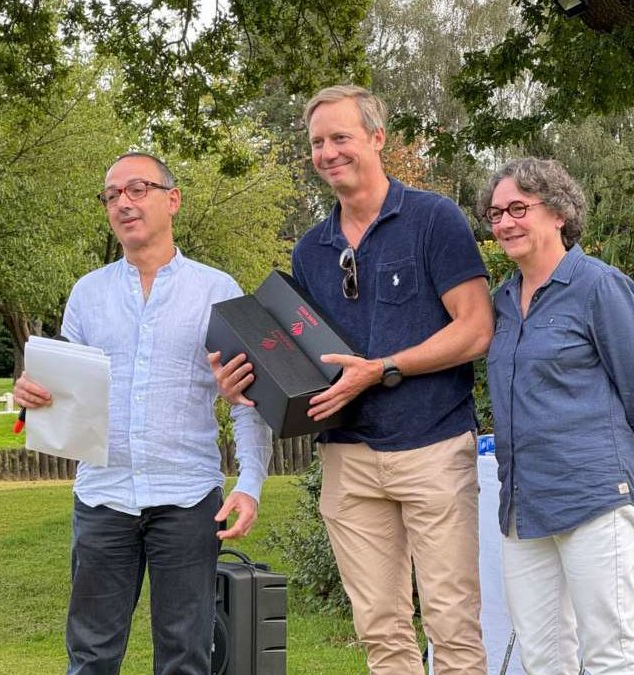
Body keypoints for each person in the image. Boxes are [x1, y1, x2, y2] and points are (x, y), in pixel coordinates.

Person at [212, 85, 493, 674]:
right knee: (381, 632)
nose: (328, 152)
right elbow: (300, 365)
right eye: (317, 142)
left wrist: (384, 368)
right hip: (347, 459)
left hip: (433, 447)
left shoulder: (433, 219)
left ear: (377, 138)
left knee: (452, 627)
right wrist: (246, 381)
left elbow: (475, 329)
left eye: (340, 137)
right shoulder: (311, 249)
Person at [13, 152, 272, 675]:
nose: (123, 203)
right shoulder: (88, 294)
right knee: (90, 656)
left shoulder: (217, 290)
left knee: (185, 657)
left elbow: (249, 399)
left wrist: (250, 483)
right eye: (112, 195)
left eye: (137, 189)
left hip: (188, 498)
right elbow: (62, 390)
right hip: (103, 495)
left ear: (172, 200)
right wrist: (32, 396)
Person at [480, 157, 634, 675]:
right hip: (523, 505)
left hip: (594, 494)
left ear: (559, 212)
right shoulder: (500, 302)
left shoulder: (599, 286)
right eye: (496, 213)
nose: (504, 223)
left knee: (610, 653)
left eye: (518, 208)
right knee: (542, 658)